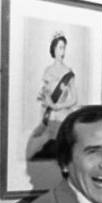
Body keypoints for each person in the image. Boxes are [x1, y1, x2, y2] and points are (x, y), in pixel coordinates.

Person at [26, 32, 79, 160]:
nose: (62, 51)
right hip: (49, 115)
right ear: (54, 49)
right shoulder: (48, 71)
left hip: (63, 114)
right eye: (60, 47)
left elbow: (74, 98)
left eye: (64, 47)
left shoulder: (68, 73)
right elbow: (45, 94)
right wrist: (46, 102)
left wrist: (58, 106)